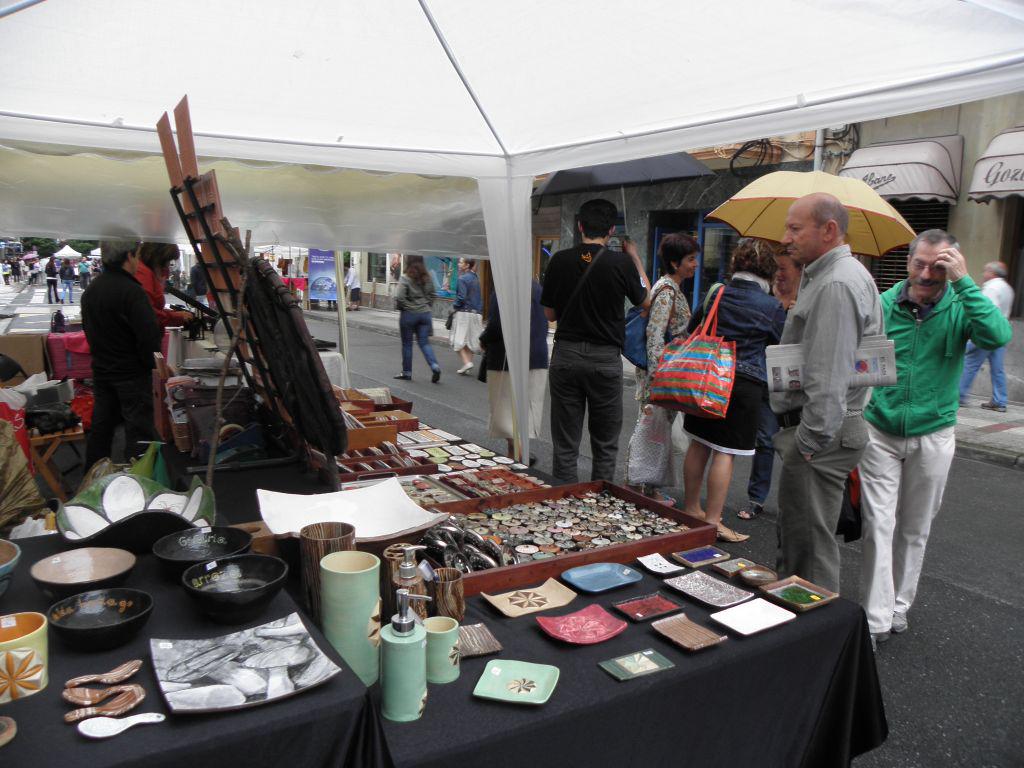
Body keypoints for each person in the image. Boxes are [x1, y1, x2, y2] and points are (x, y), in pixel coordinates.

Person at [860, 231, 1011, 648]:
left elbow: (997, 336)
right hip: (880, 430)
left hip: (934, 431)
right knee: (878, 524)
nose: (927, 274)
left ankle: (898, 605)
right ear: (908, 262)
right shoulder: (884, 304)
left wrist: (964, 283)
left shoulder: (961, 305)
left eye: (938, 267)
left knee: (914, 528)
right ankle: (875, 617)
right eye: (920, 264)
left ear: (953, 268)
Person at [770, 192, 884, 592]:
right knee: (802, 542)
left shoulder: (837, 283)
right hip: (824, 432)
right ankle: (803, 618)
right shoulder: (832, 276)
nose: (786, 237)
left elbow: (829, 374)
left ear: (829, 230)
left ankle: (812, 626)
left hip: (821, 435)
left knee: (807, 552)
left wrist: (809, 441)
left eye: (795, 228)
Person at [682, 239, 786, 543]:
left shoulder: (717, 292)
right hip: (743, 384)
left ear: (736, 263)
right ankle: (713, 521)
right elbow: (780, 343)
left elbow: (693, 326)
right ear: (768, 270)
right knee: (725, 452)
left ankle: (691, 509)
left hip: (707, 376)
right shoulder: (771, 306)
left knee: (699, 443)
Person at [541, 198, 650, 483]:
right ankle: (599, 502)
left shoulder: (559, 260)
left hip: (566, 355)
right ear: (611, 230)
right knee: (605, 445)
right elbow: (646, 300)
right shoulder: (622, 263)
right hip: (605, 359)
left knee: (565, 445)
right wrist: (635, 257)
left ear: (580, 226)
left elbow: (549, 313)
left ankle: (563, 501)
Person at [82, 233, 164, 468]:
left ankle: (92, 477)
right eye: (137, 255)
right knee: (139, 432)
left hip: (102, 371)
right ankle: (140, 478)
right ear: (129, 256)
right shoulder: (132, 291)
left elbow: (89, 332)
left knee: (101, 428)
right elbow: (148, 337)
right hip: (132, 374)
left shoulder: (92, 290)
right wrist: (151, 365)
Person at [626, 233, 697, 496]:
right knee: (650, 430)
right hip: (661, 376)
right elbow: (655, 335)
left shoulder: (670, 288)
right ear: (675, 263)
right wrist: (658, 379)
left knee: (655, 431)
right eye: (690, 259)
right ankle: (638, 485)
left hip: (665, 373)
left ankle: (647, 486)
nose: (695, 264)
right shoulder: (667, 291)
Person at [738, 247, 802, 521]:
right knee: (765, 439)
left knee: (798, 444)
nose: (778, 275)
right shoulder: (765, 298)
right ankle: (757, 498)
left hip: (797, 383)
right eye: (776, 269)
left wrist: (798, 318)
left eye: (783, 269)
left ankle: (797, 500)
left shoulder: (807, 300)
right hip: (765, 379)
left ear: (799, 271)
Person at [479, 279, 548, 459]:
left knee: (504, 416)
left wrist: (483, 339)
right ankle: (515, 458)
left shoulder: (504, 287)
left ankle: (519, 453)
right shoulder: (538, 289)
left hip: (506, 359)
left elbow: (496, 325)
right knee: (523, 415)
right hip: (536, 357)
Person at [959, 260, 1015, 413]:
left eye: (986, 271)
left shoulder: (991, 288)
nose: (984, 274)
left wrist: (977, 333)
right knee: (998, 369)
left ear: (992, 273)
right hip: (1001, 333)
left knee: (970, 363)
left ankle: (959, 395)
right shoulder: (1008, 288)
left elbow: (986, 312)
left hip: (987, 333)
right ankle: (1000, 400)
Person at [394, 255, 442, 383]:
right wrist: (426, 305)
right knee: (424, 343)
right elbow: (433, 295)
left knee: (407, 344)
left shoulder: (405, 278)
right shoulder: (427, 277)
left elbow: (399, 297)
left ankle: (407, 372)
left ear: (408, 262)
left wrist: (408, 306)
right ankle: (434, 366)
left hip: (409, 315)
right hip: (425, 314)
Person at [134, 243, 191, 329]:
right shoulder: (143, 274)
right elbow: (147, 314)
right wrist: (177, 317)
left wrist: (174, 314)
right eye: (167, 264)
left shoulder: (143, 271)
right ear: (158, 261)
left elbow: (150, 308)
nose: (167, 274)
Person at [450, 258, 483, 375]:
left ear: (467, 265)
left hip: (464, 312)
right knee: (471, 340)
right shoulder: (476, 278)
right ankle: (467, 365)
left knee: (457, 340)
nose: (459, 264)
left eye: (461, 262)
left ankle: (467, 363)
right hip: (476, 313)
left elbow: (461, 297)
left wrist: (454, 306)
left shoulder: (462, 278)